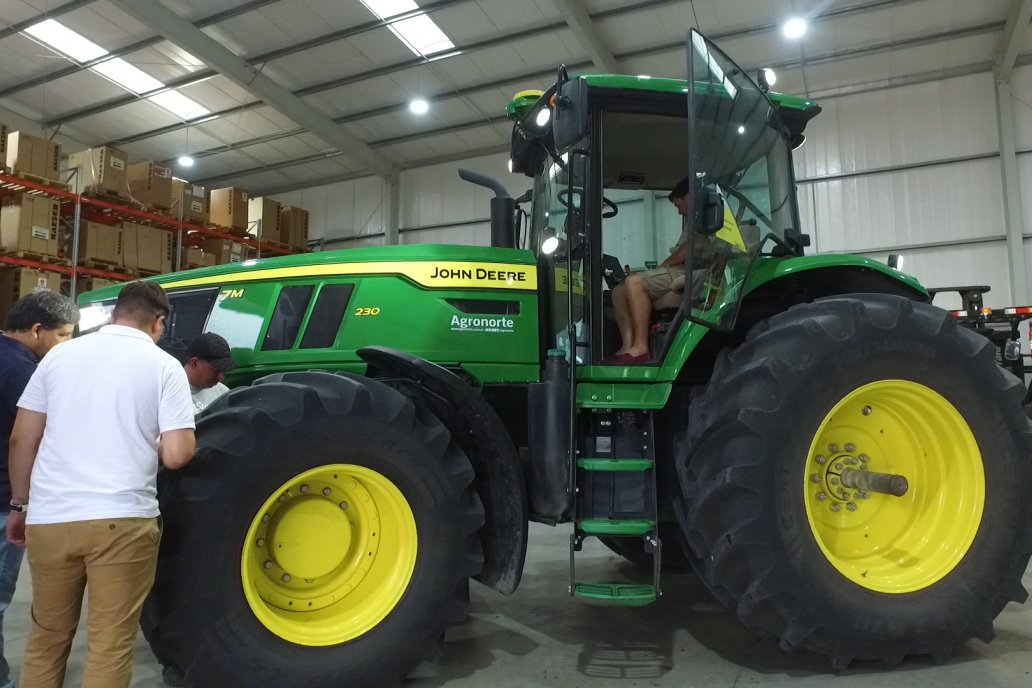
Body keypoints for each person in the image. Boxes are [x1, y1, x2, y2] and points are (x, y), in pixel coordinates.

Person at [7, 280, 197, 688]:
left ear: (114, 314)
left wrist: (21, 505)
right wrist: (159, 439)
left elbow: (23, 437)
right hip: (123, 521)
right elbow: (178, 455)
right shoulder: (164, 366)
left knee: (46, 638)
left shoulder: (58, 358)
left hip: (52, 518)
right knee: (110, 644)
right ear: (158, 322)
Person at [0, 290, 78, 688]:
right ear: (36, 330)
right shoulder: (24, 371)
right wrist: (21, 503)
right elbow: (25, 439)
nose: (66, 345)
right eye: (63, 335)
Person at [608, 177, 698, 364]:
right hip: (679, 269)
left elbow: (686, 251)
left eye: (678, 205)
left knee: (634, 282)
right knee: (618, 291)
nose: (679, 211)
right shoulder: (692, 221)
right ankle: (628, 345)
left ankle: (641, 347)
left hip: (691, 270)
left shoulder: (703, 219)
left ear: (689, 197)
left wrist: (661, 267)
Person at [184, 332, 236, 413]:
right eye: (216, 370)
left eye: (224, 370)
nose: (221, 377)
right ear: (194, 363)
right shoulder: (171, 391)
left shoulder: (223, 393)